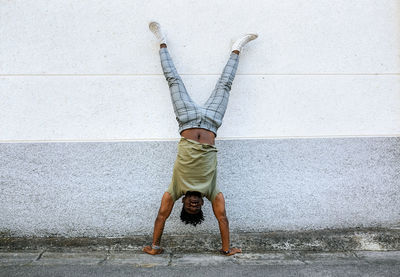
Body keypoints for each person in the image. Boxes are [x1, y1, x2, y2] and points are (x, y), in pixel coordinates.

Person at [143, 21, 258, 256]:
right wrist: (227, 249)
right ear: (203, 204)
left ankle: (162, 41)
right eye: (197, 207)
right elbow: (223, 218)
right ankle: (237, 48)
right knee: (225, 86)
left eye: (189, 206)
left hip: (186, 120)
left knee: (173, 81)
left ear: (183, 204)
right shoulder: (212, 191)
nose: (193, 204)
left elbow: (161, 215)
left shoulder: (175, 189)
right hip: (212, 122)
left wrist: (154, 246)